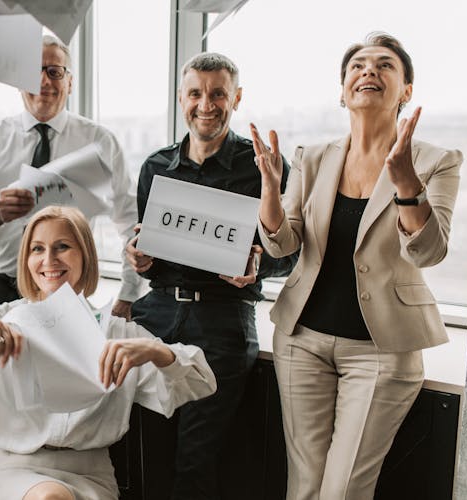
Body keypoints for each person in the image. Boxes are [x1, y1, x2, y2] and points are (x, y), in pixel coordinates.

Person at [251, 32, 462, 500]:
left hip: (381, 352)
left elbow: (429, 251)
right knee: (303, 485)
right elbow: (282, 244)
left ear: (406, 90)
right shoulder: (314, 157)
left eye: (385, 65)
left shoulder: (436, 161)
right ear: (343, 88)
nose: (369, 71)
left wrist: (405, 180)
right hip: (301, 341)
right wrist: (270, 189)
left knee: (343, 490)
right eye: (358, 65)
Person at [0, 206, 217, 500]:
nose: (49, 261)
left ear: (85, 255)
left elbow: (202, 381)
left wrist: (155, 351)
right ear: (25, 260)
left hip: (90, 479)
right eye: (37, 249)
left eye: (63, 247)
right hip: (9, 474)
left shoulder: (117, 334)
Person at [0, 34, 142, 498]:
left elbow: (128, 222)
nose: (44, 81)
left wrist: (129, 293)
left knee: (66, 399)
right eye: (35, 70)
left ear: (70, 81)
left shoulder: (98, 141)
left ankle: (61, 478)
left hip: (66, 295)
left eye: (55, 71)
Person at [125, 52, 297, 500]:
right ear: (181, 99)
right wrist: (139, 258)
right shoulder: (155, 166)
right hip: (157, 314)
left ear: (236, 98)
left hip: (223, 322)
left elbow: (293, 254)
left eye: (218, 93)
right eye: (196, 94)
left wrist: (259, 266)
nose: (207, 104)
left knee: (195, 459)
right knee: (146, 447)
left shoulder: (263, 168)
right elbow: (150, 250)